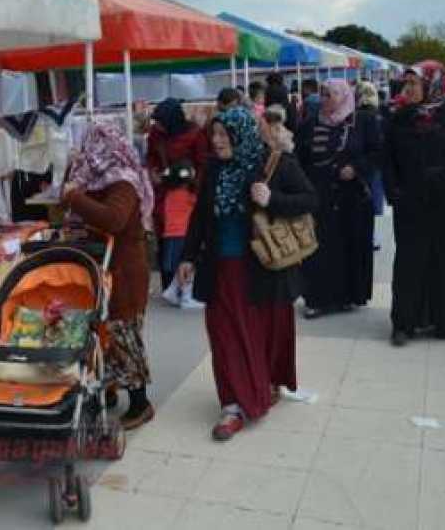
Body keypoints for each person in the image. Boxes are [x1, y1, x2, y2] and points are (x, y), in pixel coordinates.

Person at [177, 106, 317, 440]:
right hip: (220, 269)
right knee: (225, 336)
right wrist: (188, 257)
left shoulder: (274, 163)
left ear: (242, 135)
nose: (217, 140)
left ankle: (260, 386)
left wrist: (273, 199)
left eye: (224, 135)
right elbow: (200, 217)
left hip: (262, 270)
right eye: (215, 133)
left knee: (258, 335)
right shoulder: (213, 169)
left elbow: (311, 200)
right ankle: (234, 405)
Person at [62, 118, 155, 430]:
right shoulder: (93, 174)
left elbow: (114, 219)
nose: (87, 150)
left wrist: (74, 197)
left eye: (91, 143)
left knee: (123, 332)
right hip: (103, 267)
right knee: (103, 333)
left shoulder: (122, 179)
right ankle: (108, 392)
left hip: (124, 270)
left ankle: (140, 403)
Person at [383, 65, 445, 346]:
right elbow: (388, 159)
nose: (407, 89)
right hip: (411, 202)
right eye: (405, 83)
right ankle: (404, 323)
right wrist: (394, 191)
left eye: (414, 83)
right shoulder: (400, 117)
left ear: (432, 84)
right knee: (410, 261)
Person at [296, 79, 378, 318]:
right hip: (320, 196)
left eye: (329, 95)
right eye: (322, 95)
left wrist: (356, 168)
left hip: (352, 197)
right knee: (320, 247)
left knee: (349, 244)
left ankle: (347, 296)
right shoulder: (310, 124)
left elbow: (377, 152)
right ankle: (318, 298)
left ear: (342, 96)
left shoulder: (362, 121)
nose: (324, 100)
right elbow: (300, 159)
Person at [147, 98, 208, 308]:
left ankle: (185, 288)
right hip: (164, 196)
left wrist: (194, 187)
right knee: (168, 240)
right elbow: (151, 157)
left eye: (162, 121)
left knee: (185, 240)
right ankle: (171, 287)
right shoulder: (157, 134)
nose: (158, 126)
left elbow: (202, 164)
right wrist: (154, 173)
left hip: (186, 195)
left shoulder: (194, 134)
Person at [357, 81, 386, 250]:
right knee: (372, 204)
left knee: (362, 202)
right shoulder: (379, 114)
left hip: (360, 164)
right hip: (375, 165)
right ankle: (371, 237)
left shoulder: (356, 115)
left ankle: (366, 237)